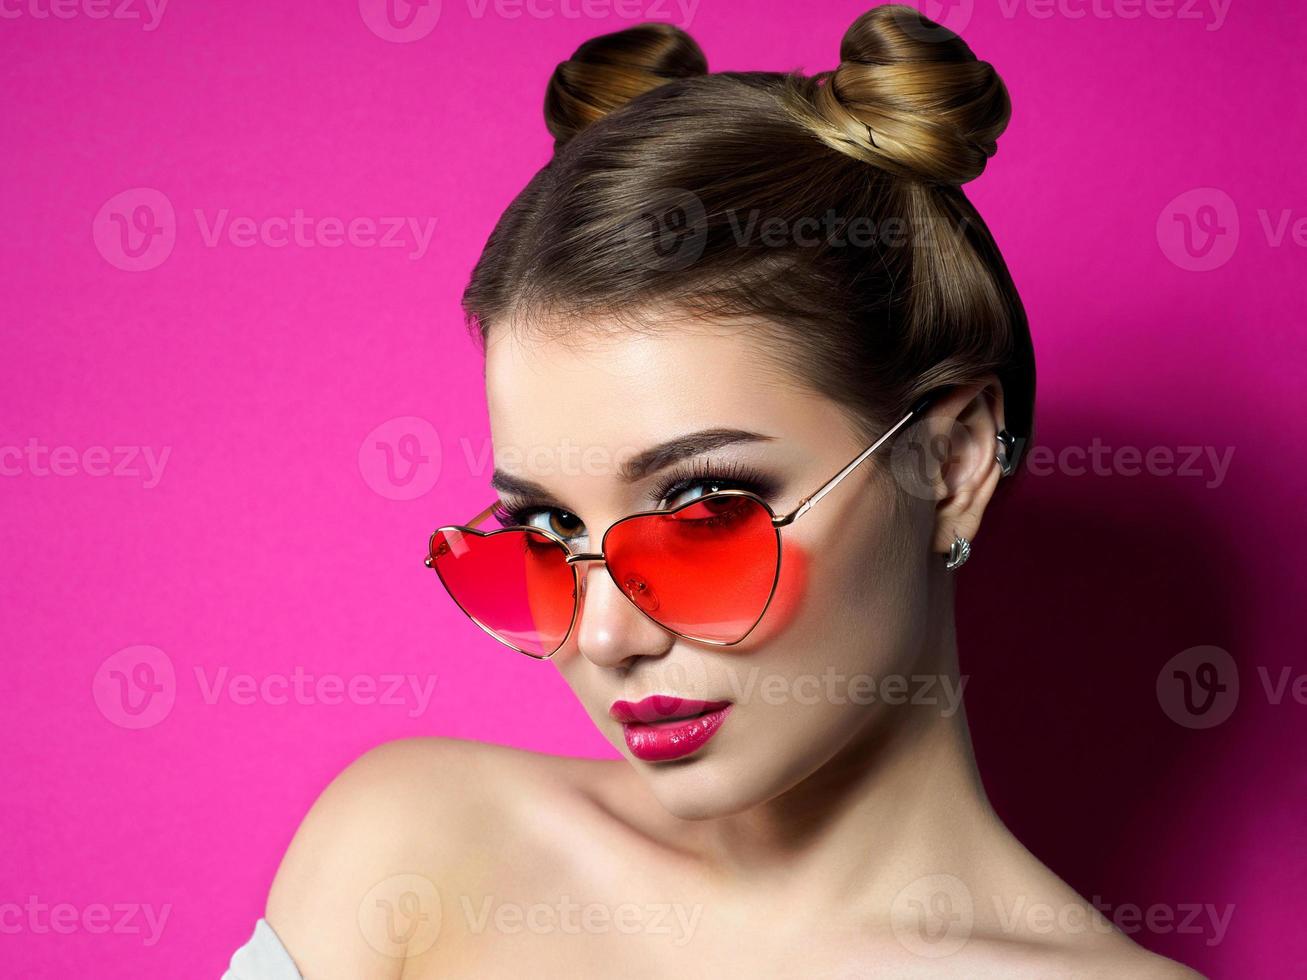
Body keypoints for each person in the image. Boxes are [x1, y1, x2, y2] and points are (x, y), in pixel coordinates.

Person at [227, 6, 1201, 977]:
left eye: (701, 513)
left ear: (946, 464)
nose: (603, 635)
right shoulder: (416, 854)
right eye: (546, 526)